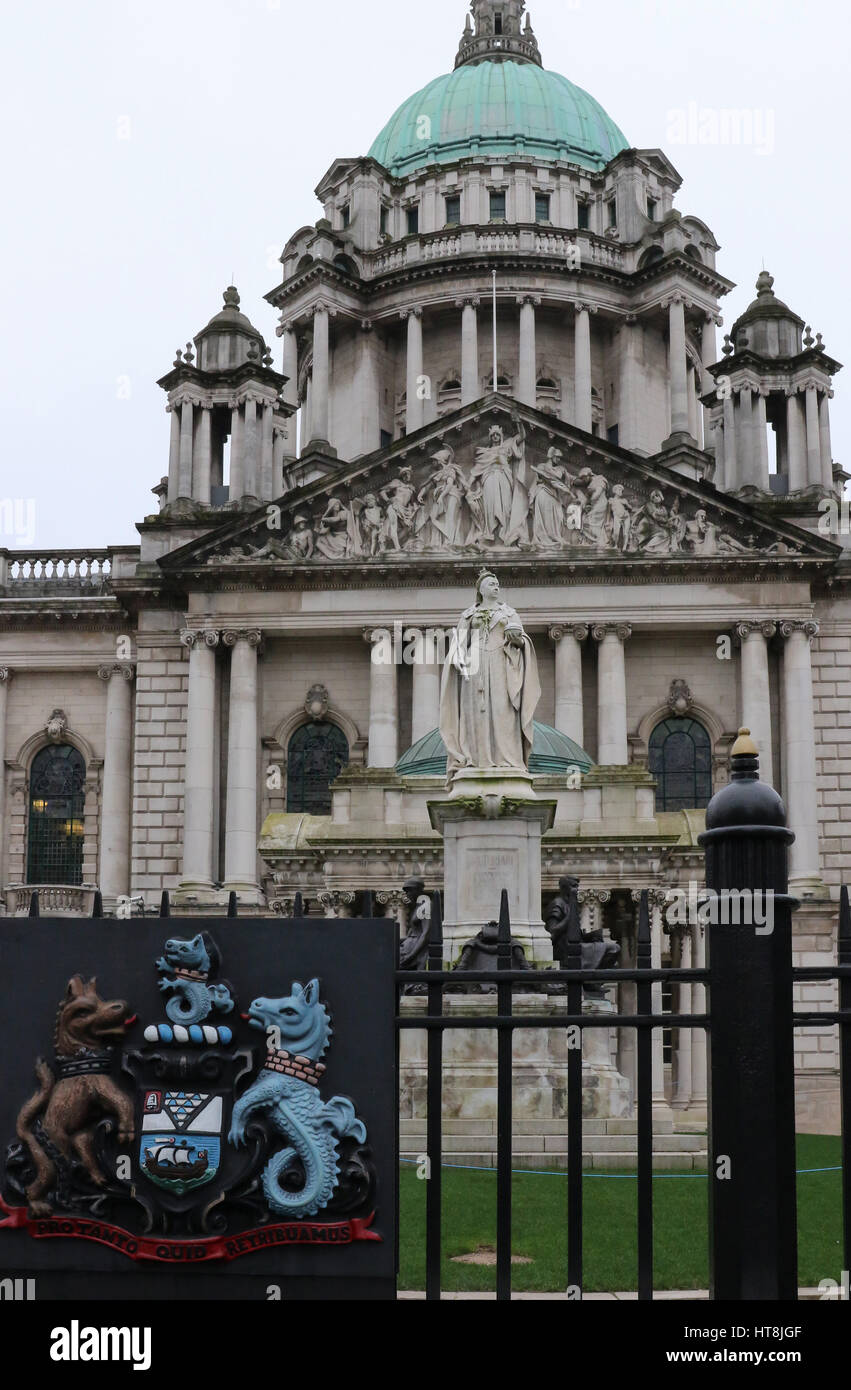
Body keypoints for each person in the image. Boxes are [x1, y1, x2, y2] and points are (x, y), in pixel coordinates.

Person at [439, 568, 541, 785]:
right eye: (491, 584)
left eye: (497, 584)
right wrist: (458, 657)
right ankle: (476, 759)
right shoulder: (468, 614)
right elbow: (458, 643)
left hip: (501, 663)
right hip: (474, 665)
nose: (496, 586)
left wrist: (518, 640)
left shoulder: (509, 613)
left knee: (503, 710)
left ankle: (508, 759)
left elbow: (521, 640)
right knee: (475, 711)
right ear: (481, 590)